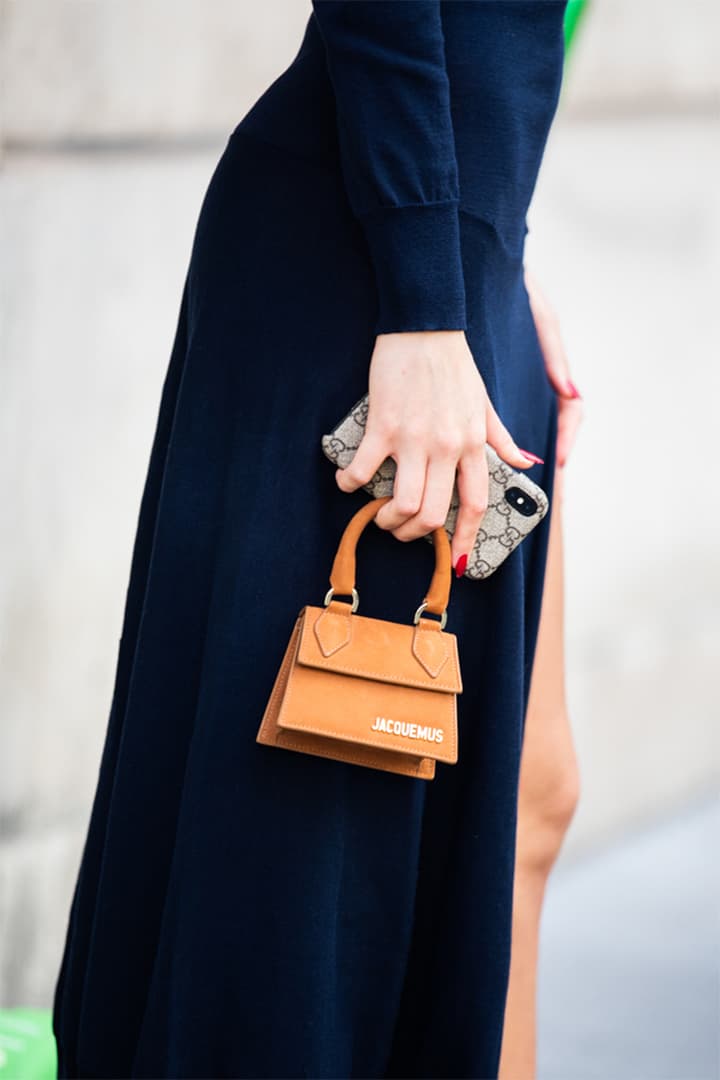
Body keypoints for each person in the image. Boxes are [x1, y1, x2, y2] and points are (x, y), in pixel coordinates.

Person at [52, 3, 576, 1077]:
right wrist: (431, 294)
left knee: (496, 810)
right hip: (383, 283)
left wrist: (502, 253)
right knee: (309, 846)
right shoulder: (414, 296)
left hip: (452, 262)